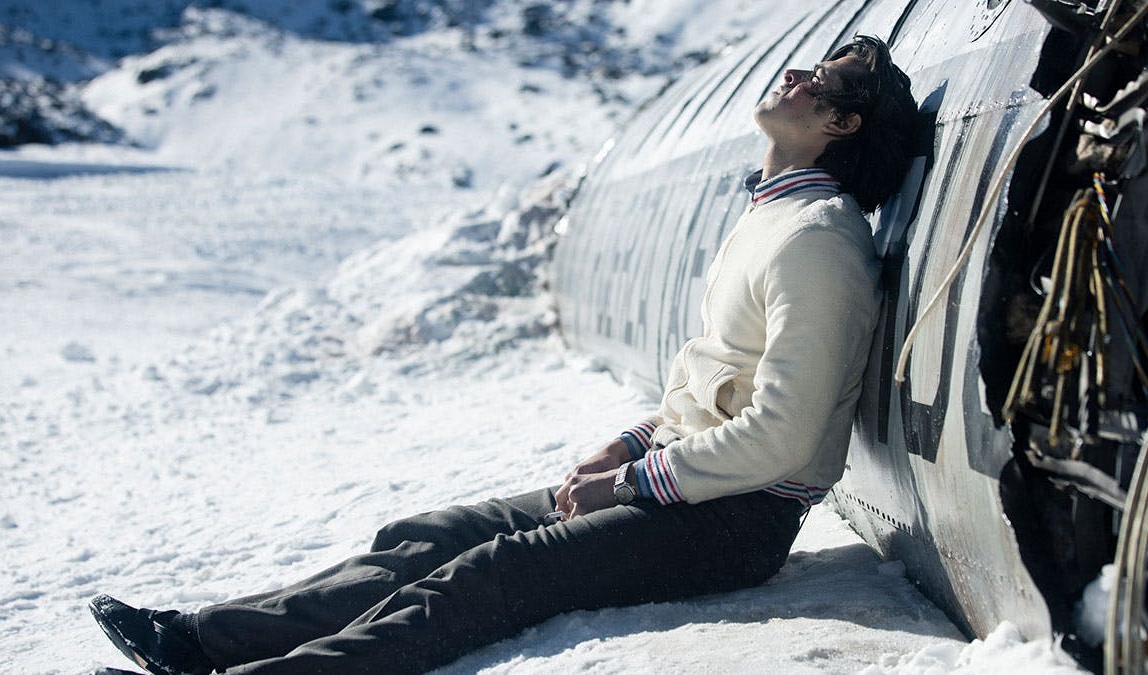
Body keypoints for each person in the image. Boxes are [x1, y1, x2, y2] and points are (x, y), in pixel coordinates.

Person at [90, 35, 920, 675]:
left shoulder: (819, 240)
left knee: (492, 573)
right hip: (686, 481)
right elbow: (717, 379)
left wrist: (630, 483)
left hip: (734, 518)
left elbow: (783, 436)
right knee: (434, 535)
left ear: (841, 124)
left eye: (823, 81)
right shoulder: (773, 217)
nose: (796, 76)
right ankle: (200, 640)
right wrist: (629, 444)